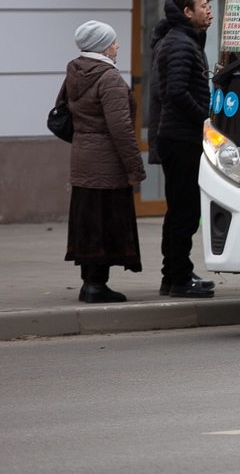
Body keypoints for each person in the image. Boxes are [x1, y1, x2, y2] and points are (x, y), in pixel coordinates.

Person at [64, 21, 146, 303]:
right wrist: (135, 167)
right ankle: (97, 286)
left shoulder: (75, 70)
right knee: (105, 222)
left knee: (88, 221)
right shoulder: (108, 77)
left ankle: (90, 283)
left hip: (82, 158)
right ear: (101, 45)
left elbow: (63, 112)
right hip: (107, 162)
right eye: (113, 41)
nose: (117, 45)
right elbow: (121, 128)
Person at [149, 0, 215, 298]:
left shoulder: (185, 40)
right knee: (183, 212)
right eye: (203, 5)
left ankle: (178, 273)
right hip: (181, 138)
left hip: (182, 137)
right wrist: (205, 118)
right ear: (187, 12)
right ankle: (176, 278)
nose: (209, 10)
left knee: (183, 210)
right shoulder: (178, 43)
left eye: (208, 4)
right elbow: (174, 92)